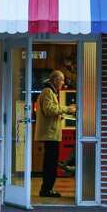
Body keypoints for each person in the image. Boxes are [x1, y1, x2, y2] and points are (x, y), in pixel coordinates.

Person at [34, 70, 76, 198]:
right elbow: (49, 110)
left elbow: (51, 111)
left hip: (51, 133)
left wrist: (61, 115)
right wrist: (68, 109)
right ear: (55, 80)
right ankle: (46, 190)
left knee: (51, 163)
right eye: (62, 80)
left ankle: (48, 188)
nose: (63, 82)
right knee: (50, 164)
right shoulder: (48, 91)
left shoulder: (50, 91)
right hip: (50, 134)